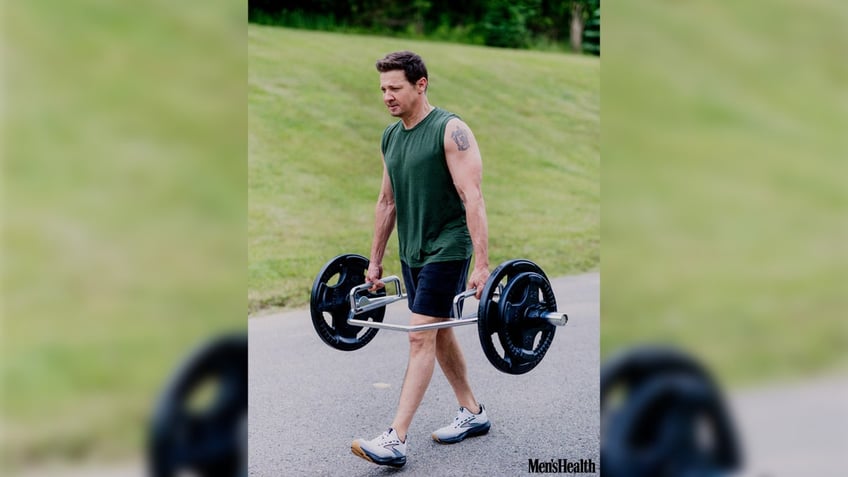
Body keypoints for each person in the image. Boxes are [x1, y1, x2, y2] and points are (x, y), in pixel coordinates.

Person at [350, 51, 492, 468]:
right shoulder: (391, 137)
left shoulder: (450, 130)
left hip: (448, 247)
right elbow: (386, 201)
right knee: (438, 332)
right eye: (382, 89)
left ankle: (396, 438)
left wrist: (482, 265)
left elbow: (473, 197)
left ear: (421, 84)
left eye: (395, 88)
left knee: (418, 335)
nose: (387, 97)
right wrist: (375, 262)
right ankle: (473, 412)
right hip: (412, 251)